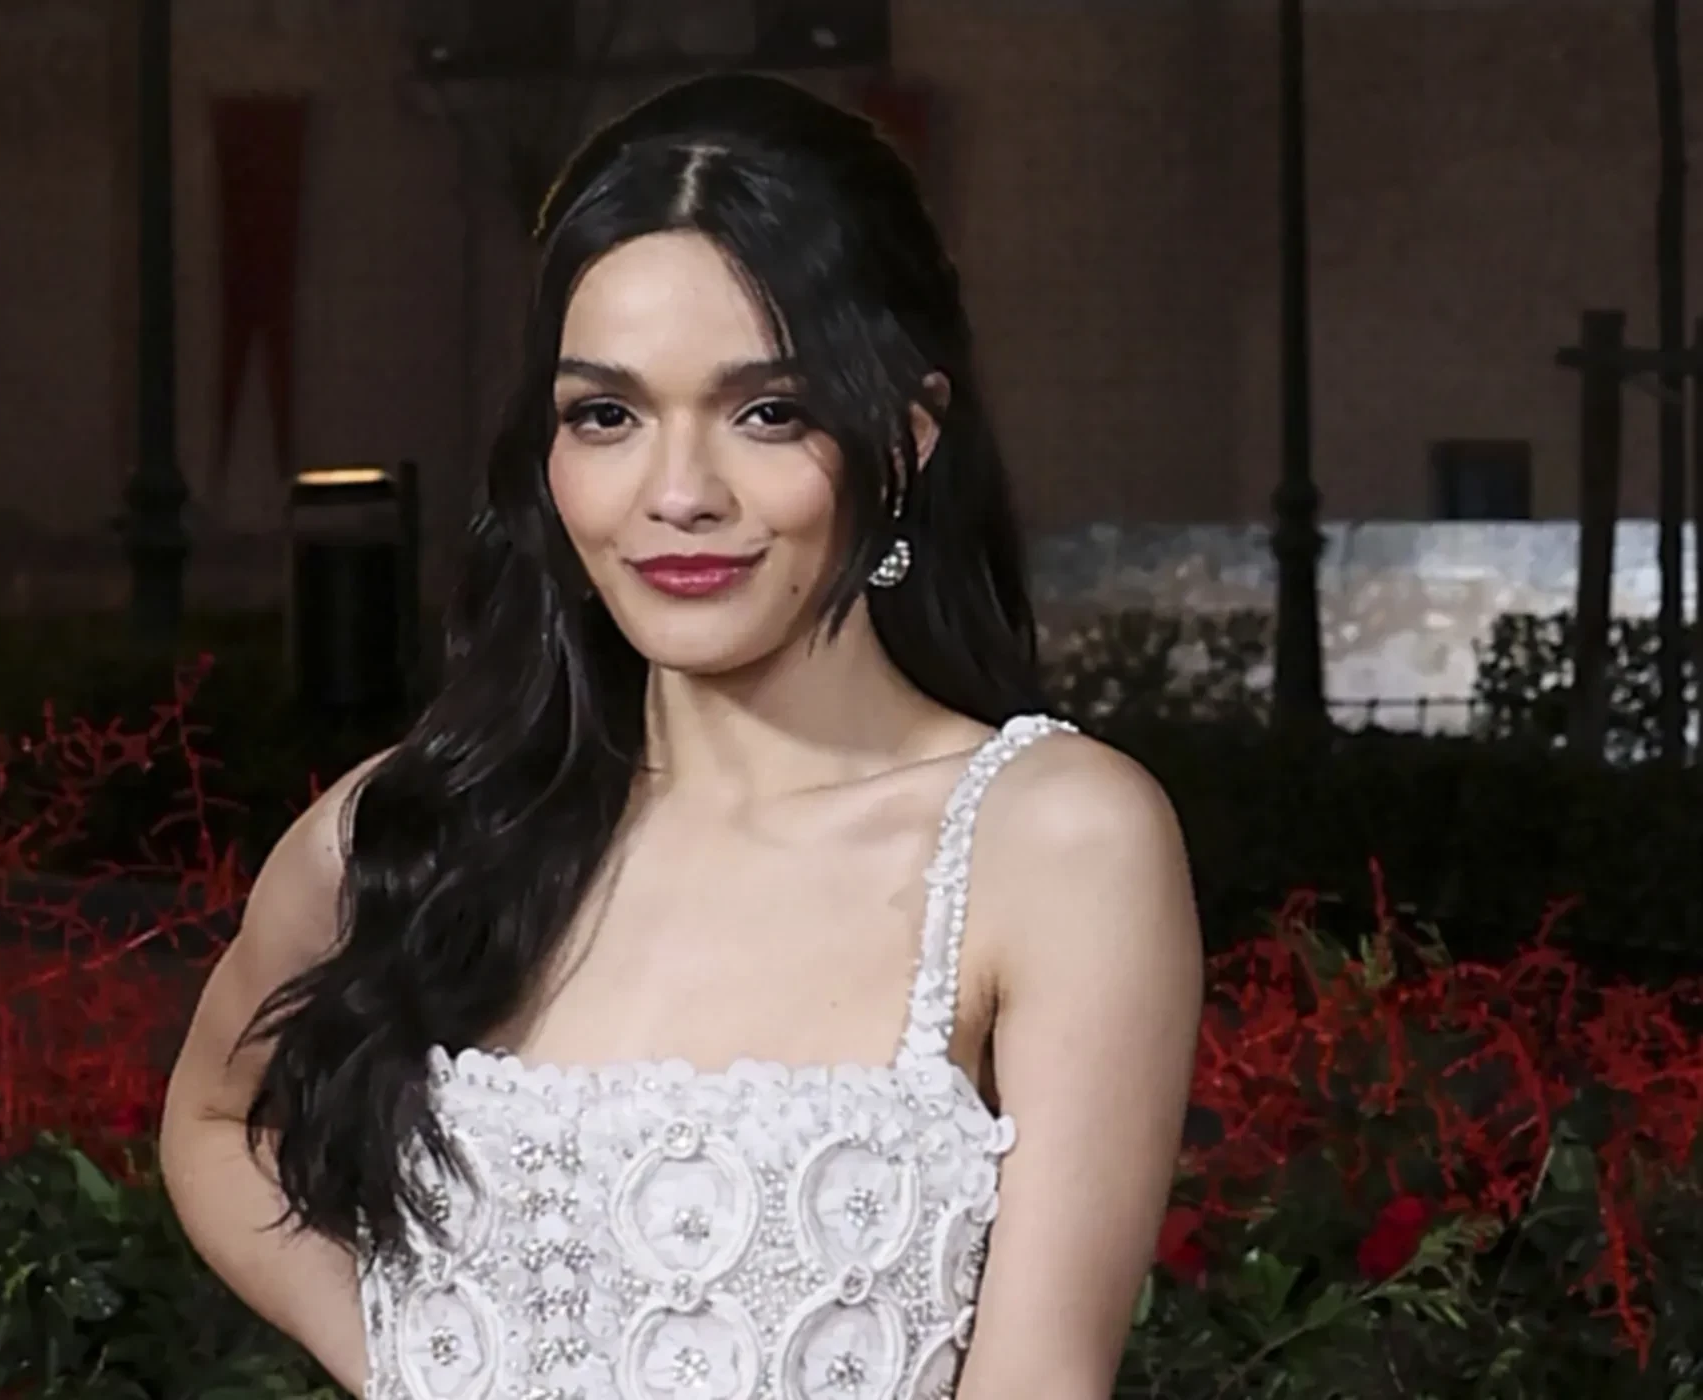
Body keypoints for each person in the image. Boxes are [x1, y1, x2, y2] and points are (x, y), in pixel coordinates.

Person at [160, 72, 1203, 1400]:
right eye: (606, 415)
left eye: (767, 412)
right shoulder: (428, 823)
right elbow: (213, 1118)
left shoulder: (1053, 841)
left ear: (907, 433)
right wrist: (413, 1362)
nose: (678, 494)